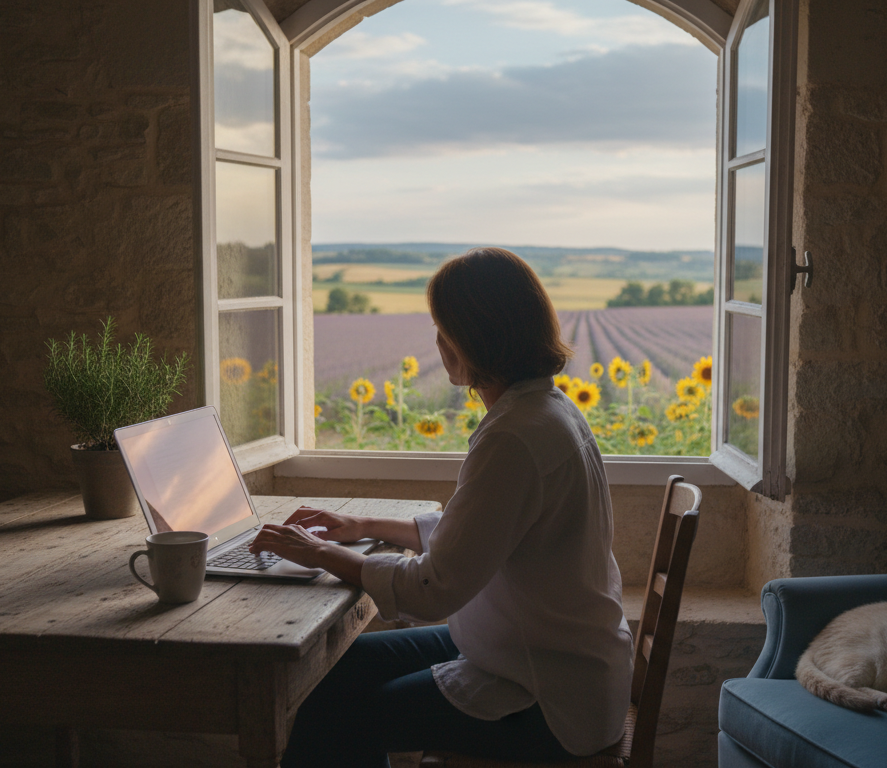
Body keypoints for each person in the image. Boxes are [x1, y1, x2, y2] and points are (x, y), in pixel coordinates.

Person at [250, 247, 633, 768]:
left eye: (444, 329)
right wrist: (360, 525)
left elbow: (433, 589)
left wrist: (318, 553)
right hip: (545, 658)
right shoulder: (547, 408)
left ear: (476, 339)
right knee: (334, 670)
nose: (437, 342)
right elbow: (477, 536)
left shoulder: (514, 438)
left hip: (547, 697)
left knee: (332, 712)